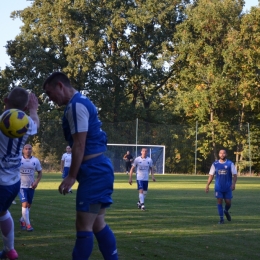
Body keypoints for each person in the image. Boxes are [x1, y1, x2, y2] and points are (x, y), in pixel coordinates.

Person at [43, 72, 118, 260]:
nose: (50, 99)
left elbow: (79, 144)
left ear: (60, 86)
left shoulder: (76, 106)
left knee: (83, 226)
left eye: (50, 93)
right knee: (97, 223)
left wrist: (71, 176)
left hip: (94, 172)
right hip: (98, 169)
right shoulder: (80, 102)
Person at [0, 87, 39, 260]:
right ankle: (10, 250)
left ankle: (10, 250)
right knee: (3, 213)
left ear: (5, 101)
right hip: (13, 183)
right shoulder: (28, 124)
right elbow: (36, 123)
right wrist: (33, 110)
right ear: (23, 109)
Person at [205, 149, 238, 224]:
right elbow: (211, 175)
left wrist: (233, 184)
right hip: (218, 187)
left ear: (226, 154)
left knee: (228, 202)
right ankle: (221, 219)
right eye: (220, 153)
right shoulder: (215, 164)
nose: (222, 154)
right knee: (219, 201)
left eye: (224, 153)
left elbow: (235, 175)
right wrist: (207, 185)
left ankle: (226, 210)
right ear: (219, 154)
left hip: (228, 187)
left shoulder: (230, 164)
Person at [19, 144, 42, 232]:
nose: (28, 150)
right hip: (21, 186)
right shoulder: (19, 160)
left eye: (29, 149)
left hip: (31, 186)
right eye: (26, 149)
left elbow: (40, 173)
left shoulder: (35, 160)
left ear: (31, 150)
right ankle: (28, 225)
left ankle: (22, 220)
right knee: (24, 204)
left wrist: (36, 182)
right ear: (23, 150)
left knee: (28, 206)